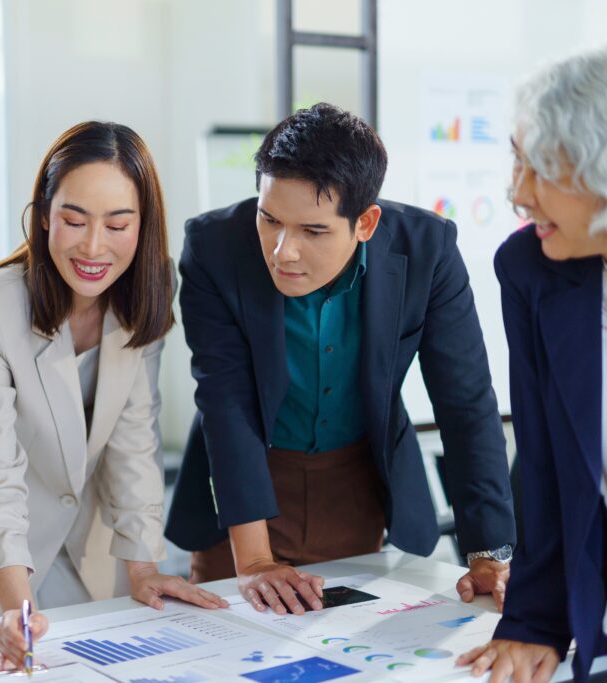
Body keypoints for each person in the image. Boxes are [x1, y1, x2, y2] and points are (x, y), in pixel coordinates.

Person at [165, 103, 517, 615]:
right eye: (270, 219)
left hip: (356, 486)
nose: (283, 251)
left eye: (313, 231)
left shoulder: (428, 250)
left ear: (365, 223)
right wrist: (256, 560)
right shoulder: (213, 246)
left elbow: (465, 402)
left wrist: (489, 553)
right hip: (241, 493)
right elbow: (226, 402)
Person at [0, 121, 227, 668]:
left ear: (144, 225)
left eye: (117, 224)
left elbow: (134, 439)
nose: (94, 246)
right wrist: (16, 606)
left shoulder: (148, 288)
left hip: (76, 527)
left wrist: (143, 567)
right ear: (43, 216)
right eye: (74, 221)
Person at [459, 46, 607, 683]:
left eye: (540, 167)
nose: (517, 193)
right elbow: (544, 465)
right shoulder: (530, 270)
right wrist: (534, 621)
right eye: (517, 160)